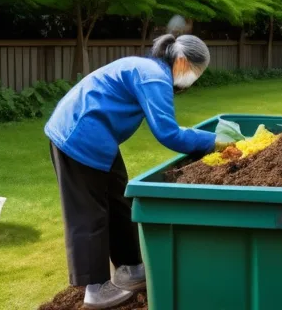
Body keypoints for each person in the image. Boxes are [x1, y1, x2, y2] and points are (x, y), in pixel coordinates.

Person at [44, 34, 225, 309]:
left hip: (99, 136)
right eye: (196, 71)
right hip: (78, 136)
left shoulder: (151, 70)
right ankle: (95, 288)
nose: (194, 78)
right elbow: (168, 133)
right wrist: (214, 141)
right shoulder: (153, 77)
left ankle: (131, 267)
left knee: (119, 200)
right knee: (89, 212)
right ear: (181, 61)